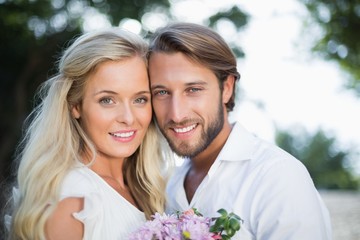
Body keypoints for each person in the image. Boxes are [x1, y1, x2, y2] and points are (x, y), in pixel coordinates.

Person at [148, 22, 332, 239]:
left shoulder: (276, 177)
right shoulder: (167, 185)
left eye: (193, 89)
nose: (176, 114)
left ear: (226, 88)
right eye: (161, 93)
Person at [5, 28, 168, 240]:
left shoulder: (150, 188)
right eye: (107, 100)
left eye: (140, 99)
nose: (128, 118)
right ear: (75, 106)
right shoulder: (72, 199)